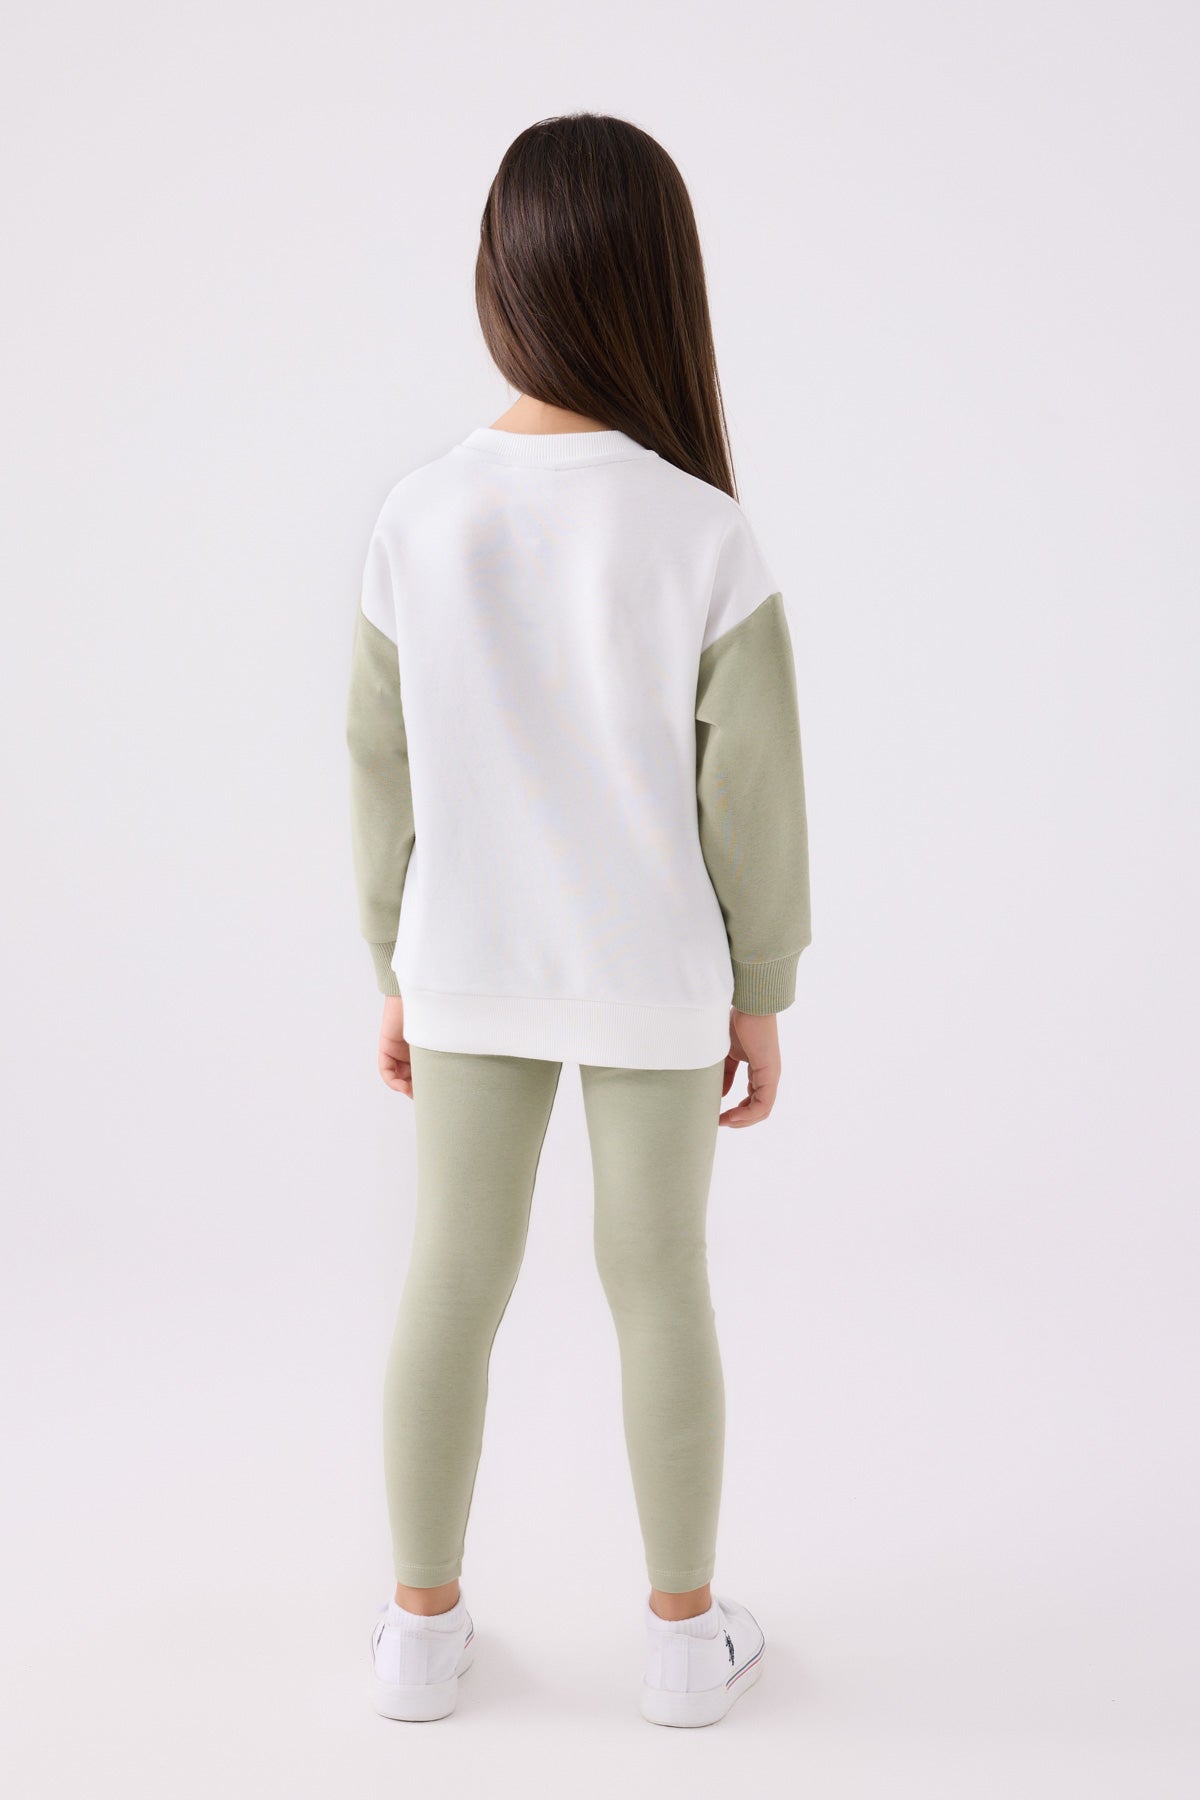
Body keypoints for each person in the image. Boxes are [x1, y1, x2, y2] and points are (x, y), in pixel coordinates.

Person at [346, 111, 810, 1729]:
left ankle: (418, 1636)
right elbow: (753, 793)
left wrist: (394, 963)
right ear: (659, 286)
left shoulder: (419, 515)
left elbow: (380, 767)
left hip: (467, 964)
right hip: (654, 979)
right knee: (660, 1280)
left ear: (502, 281)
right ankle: (684, 1643)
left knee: (449, 1280)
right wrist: (761, 987)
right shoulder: (701, 529)